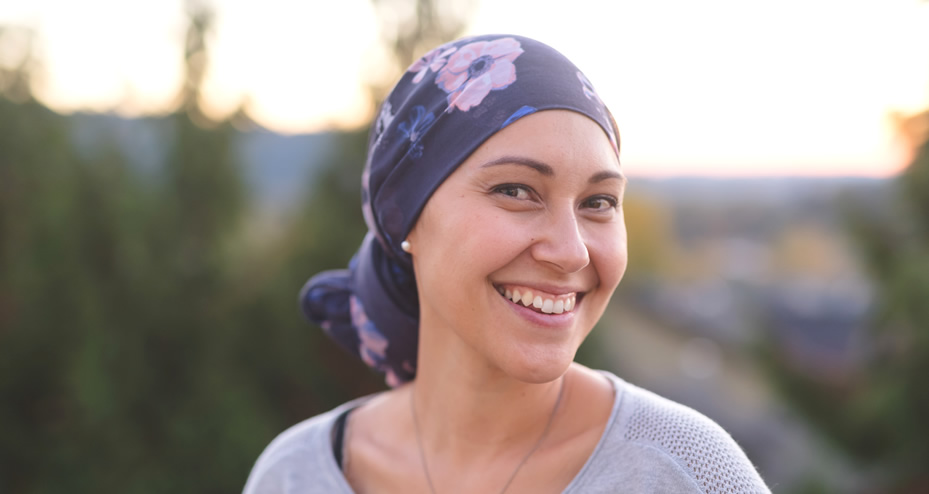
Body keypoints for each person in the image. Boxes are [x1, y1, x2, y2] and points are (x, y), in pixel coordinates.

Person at [244, 34, 771, 493]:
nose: (571, 251)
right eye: (516, 190)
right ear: (407, 220)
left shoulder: (686, 472)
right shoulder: (296, 475)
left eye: (599, 202)